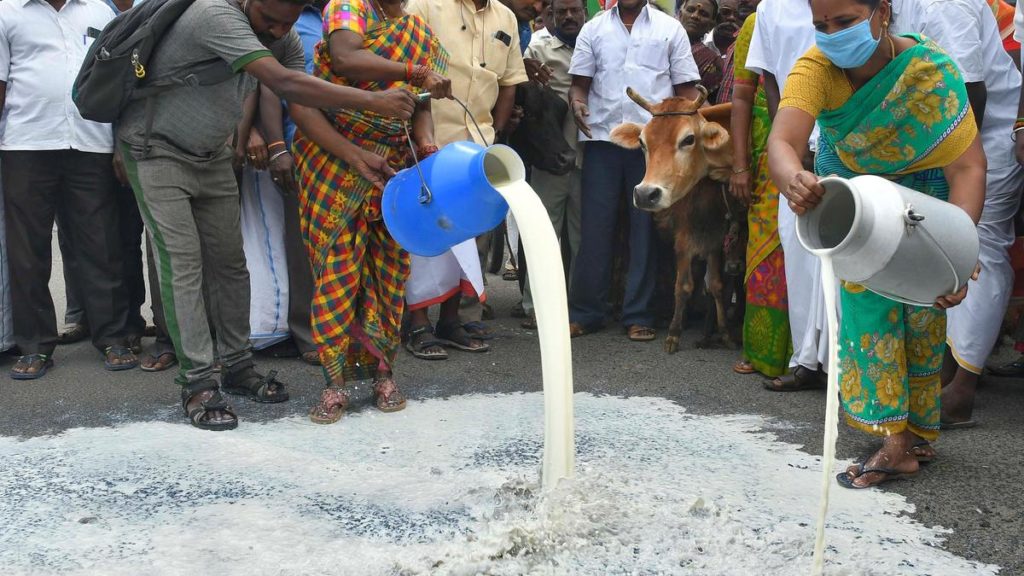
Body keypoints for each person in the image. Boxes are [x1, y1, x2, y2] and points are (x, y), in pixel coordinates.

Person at [116, 0, 419, 431]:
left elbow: (297, 98)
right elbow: (284, 81)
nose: (278, 31)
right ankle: (199, 383)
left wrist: (355, 156)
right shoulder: (214, 15)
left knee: (230, 264)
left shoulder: (284, 35)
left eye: (288, 22)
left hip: (212, 154)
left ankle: (238, 366)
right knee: (183, 263)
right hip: (156, 151)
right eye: (269, 20)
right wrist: (375, 100)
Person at [768, 0, 986, 488]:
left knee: (924, 313)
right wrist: (794, 177)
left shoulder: (931, 71)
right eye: (821, 25)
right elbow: (783, 143)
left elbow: (968, 168)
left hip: (925, 195)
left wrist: (958, 248)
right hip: (856, 200)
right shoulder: (816, 68)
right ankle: (896, 442)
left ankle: (917, 433)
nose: (831, 35)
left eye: (844, 21)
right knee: (869, 312)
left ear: (882, 12)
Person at [292, 0, 451, 424]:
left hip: (393, 167)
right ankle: (334, 383)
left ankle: (383, 373)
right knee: (338, 272)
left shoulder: (415, 27)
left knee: (388, 272)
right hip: (335, 160)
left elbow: (421, 107)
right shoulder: (349, 6)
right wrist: (413, 72)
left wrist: (428, 148)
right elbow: (346, 57)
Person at [887, 0, 1024, 430]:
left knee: (980, 252)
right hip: (950, 144)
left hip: (982, 145)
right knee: (952, 253)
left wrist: (955, 166)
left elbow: (971, 90)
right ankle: (947, 373)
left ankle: (962, 389)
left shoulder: (944, 2)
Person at [1, 0, 140, 380]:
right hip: (26, 145)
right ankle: (33, 346)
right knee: (27, 251)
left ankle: (111, 338)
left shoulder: (100, 11)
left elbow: (121, 81)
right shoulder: (6, 12)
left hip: (91, 143)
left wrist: (120, 144)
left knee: (101, 244)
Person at [567, 0, 701, 341]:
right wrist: (578, 102)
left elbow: (686, 91)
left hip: (653, 146)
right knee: (596, 227)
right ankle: (586, 312)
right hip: (603, 139)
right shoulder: (593, 28)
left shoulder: (670, 29)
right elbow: (580, 84)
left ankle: (639, 314)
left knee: (644, 229)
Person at [403, 0, 528, 359]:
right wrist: (417, 136)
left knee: (467, 236)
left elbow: (509, 83)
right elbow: (409, 70)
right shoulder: (425, 5)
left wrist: (495, 136)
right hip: (430, 140)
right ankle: (419, 324)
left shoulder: (505, 16)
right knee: (427, 236)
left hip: (478, 145)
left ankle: (451, 321)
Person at [745, 0, 823, 390]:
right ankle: (807, 361)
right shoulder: (769, 7)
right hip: (795, 145)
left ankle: (846, 363)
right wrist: (790, 141)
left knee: (846, 256)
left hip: (849, 136)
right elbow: (772, 79)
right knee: (797, 247)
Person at [728, 7, 790, 380]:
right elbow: (741, 99)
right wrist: (740, 165)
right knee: (766, 247)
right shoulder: (759, 22)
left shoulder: (835, 17)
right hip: (766, 150)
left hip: (826, 140)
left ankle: (809, 353)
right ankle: (763, 350)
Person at [519, 0, 586, 329]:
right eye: (562, 13)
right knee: (543, 233)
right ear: (552, 15)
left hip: (590, 157)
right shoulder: (538, 47)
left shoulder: (596, 40)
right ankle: (535, 306)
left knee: (582, 237)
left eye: (575, 11)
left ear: (585, 12)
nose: (569, 17)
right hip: (551, 157)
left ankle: (575, 307)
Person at [678, 0, 723, 98]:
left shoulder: (713, 61)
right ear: (680, 14)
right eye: (690, 10)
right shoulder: (660, 43)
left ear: (711, 25)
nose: (695, 16)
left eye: (704, 14)